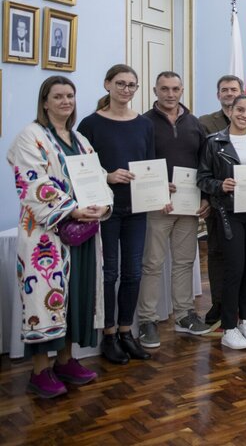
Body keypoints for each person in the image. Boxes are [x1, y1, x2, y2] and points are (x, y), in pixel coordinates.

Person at [7, 77, 109, 398]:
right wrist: (74, 210)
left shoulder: (79, 140)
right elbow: (33, 183)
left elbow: (97, 176)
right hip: (45, 237)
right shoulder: (30, 137)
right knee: (46, 299)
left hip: (83, 234)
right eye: (58, 96)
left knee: (75, 296)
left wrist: (101, 202)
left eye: (70, 96)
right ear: (45, 102)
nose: (66, 101)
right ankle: (40, 371)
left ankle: (66, 361)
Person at [77, 64, 154, 364]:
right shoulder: (90, 124)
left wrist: (159, 187)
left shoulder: (144, 124)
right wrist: (107, 176)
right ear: (107, 84)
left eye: (132, 85)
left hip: (137, 208)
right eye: (120, 84)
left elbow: (149, 163)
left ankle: (126, 332)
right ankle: (108, 335)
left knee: (133, 272)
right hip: (105, 209)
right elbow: (81, 170)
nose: (126, 90)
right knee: (109, 274)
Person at [136, 72, 212, 350]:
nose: (170, 94)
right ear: (155, 90)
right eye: (164, 89)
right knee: (153, 263)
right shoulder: (143, 123)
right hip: (157, 205)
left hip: (189, 206)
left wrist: (205, 198)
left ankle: (184, 315)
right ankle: (147, 320)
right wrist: (155, 192)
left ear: (182, 90)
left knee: (184, 262)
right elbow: (139, 164)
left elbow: (205, 164)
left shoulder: (195, 124)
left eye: (175, 89)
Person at [197, 95, 246, 350]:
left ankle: (245, 319)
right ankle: (228, 326)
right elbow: (202, 178)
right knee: (234, 269)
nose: (244, 115)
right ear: (230, 111)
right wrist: (221, 185)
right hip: (228, 212)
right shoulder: (214, 142)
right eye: (240, 110)